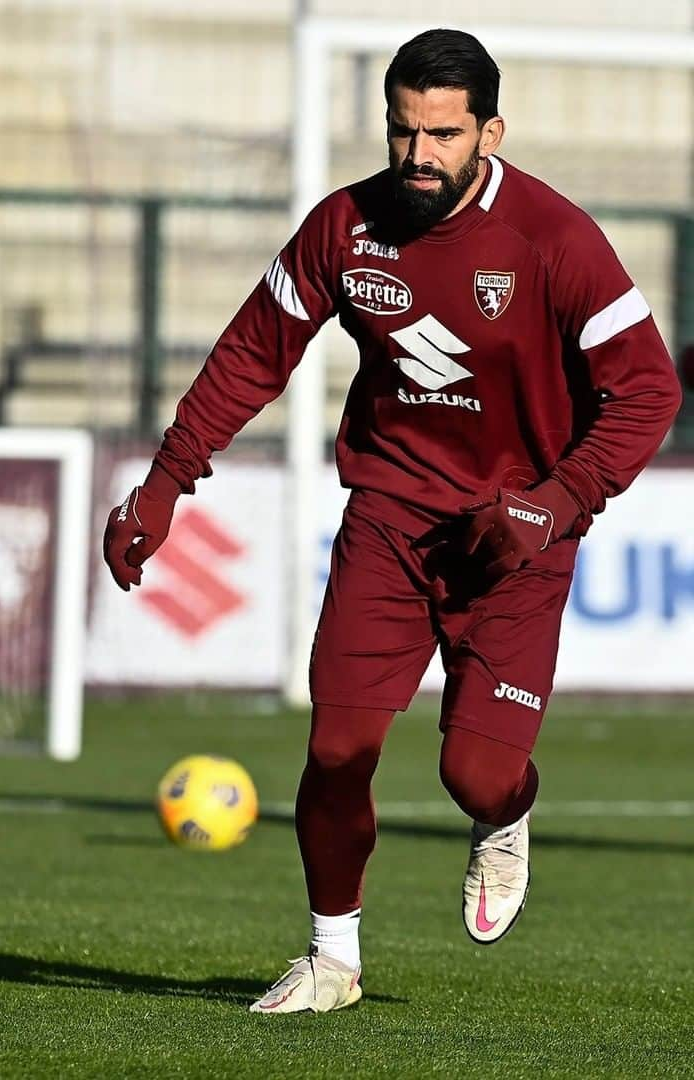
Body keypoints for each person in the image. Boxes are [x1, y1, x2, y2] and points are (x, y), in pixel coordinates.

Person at [102, 28, 683, 1014]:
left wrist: (555, 504)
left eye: (445, 136)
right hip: (389, 522)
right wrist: (165, 483)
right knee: (335, 751)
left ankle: (509, 813)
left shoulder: (555, 240)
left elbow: (648, 392)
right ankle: (334, 962)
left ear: (490, 132)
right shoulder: (343, 228)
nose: (419, 155)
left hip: (520, 543)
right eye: (404, 131)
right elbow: (253, 354)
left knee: (476, 772)